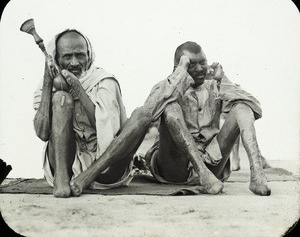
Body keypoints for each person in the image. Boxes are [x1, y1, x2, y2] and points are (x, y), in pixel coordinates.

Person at [69, 41, 271, 197]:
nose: (200, 69)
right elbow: (148, 111)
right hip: (175, 165)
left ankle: (257, 174)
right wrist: (180, 73)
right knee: (170, 106)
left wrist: (222, 79)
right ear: (178, 66)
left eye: (203, 62)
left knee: (242, 107)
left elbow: (254, 107)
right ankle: (201, 173)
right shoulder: (169, 85)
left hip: (212, 160)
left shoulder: (215, 85)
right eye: (192, 64)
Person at [33, 29, 131, 198]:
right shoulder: (47, 82)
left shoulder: (104, 81)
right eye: (67, 56)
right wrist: (49, 84)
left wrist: (78, 90)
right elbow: (42, 133)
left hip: (101, 164)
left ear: (89, 55)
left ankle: (84, 178)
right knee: (61, 99)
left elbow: (107, 131)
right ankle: (61, 180)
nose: (74, 63)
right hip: (63, 162)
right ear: (56, 59)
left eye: (80, 55)